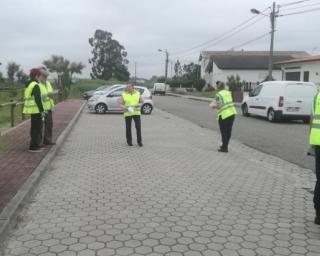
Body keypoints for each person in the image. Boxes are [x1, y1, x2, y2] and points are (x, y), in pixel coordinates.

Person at [23, 68, 46, 152]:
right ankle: (33, 147)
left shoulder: (28, 84)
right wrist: (42, 110)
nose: (40, 78)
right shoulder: (35, 85)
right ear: (36, 76)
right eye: (39, 76)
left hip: (32, 110)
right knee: (37, 128)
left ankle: (35, 145)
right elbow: (37, 99)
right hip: (36, 110)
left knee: (34, 128)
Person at [210, 81, 237, 152]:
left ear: (218, 87)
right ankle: (225, 145)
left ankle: (224, 148)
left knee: (224, 132)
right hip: (232, 113)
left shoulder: (218, 94)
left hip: (224, 115)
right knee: (228, 131)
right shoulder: (228, 93)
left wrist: (213, 106)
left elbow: (219, 106)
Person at [309, 90, 320, 225]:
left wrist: (311, 143)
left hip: (317, 140)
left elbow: (312, 119)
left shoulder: (317, 95)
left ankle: (318, 213)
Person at [39, 67, 55, 145]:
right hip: (41, 108)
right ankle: (39, 142)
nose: (45, 78)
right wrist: (48, 94)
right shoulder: (37, 84)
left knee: (49, 125)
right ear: (39, 75)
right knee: (40, 126)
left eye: (46, 76)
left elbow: (50, 93)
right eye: (44, 76)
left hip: (49, 108)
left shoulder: (48, 83)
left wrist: (53, 94)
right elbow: (38, 96)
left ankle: (47, 140)